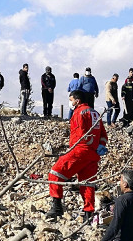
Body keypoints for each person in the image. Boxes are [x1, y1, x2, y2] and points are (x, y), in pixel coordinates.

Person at [46, 90, 108, 221]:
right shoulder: (95, 113)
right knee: (87, 183)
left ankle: (57, 207)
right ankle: (88, 214)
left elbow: (80, 135)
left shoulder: (79, 112)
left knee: (55, 173)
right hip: (93, 154)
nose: (70, 102)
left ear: (77, 100)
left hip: (80, 150)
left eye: (71, 100)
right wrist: (99, 145)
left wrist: (80, 148)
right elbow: (103, 134)